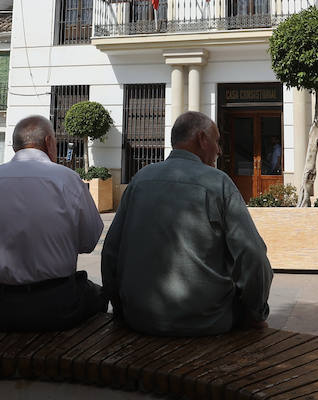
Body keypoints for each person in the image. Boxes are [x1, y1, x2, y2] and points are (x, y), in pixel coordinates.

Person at [102, 110, 273, 337]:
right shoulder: (218, 182)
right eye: (217, 141)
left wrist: (121, 309)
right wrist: (256, 312)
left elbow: (110, 253)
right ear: (202, 139)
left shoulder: (140, 179)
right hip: (205, 321)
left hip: (139, 317)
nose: (219, 150)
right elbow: (253, 257)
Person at [0, 115, 106, 331]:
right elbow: (89, 241)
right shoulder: (68, 179)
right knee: (98, 295)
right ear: (48, 142)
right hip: (53, 305)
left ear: (14, 145)